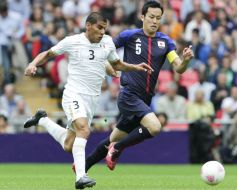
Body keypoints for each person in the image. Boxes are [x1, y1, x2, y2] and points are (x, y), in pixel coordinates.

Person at [23, 12, 153, 190]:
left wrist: (135, 67)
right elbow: (48, 53)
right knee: (84, 130)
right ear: (88, 26)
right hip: (74, 94)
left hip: (91, 100)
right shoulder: (73, 41)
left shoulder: (107, 42)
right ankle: (81, 177)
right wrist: (32, 64)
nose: (102, 32)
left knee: (70, 145)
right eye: (99, 28)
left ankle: (42, 119)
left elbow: (116, 65)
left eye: (104, 28)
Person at [83, 1, 194, 173]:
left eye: (158, 18)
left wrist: (186, 60)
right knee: (155, 127)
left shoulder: (166, 42)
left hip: (144, 99)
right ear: (142, 17)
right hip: (128, 95)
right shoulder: (129, 36)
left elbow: (179, 68)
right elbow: (102, 50)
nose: (154, 21)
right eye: (151, 17)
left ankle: (83, 166)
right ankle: (118, 149)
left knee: (112, 138)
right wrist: (107, 66)